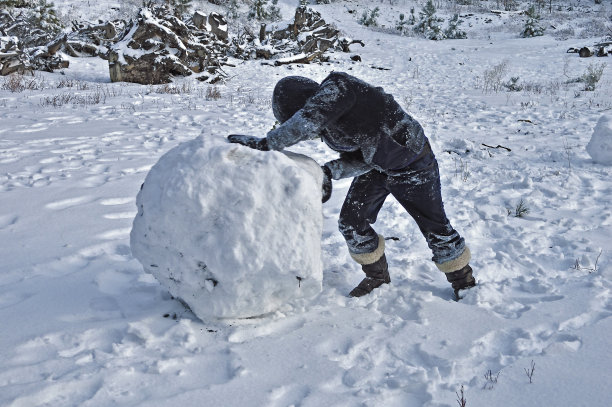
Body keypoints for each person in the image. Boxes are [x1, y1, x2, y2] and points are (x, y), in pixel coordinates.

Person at [228, 72, 475, 300]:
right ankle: (377, 277)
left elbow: (307, 121)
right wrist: (328, 172)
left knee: (435, 227)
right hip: (377, 167)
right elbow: (361, 158)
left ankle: (463, 282)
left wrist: (267, 144)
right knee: (351, 222)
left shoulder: (338, 87)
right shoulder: (329, 125)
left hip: (415, 164)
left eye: (292, 117)